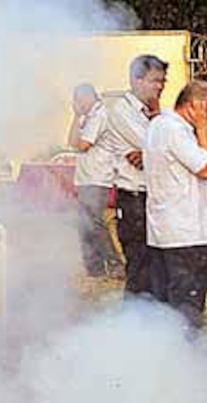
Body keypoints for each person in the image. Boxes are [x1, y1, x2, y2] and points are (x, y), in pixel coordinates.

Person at [143, 81, 207, 327]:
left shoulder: (157, 125)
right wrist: (203, 129)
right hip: (186, 236)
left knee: (165, 311)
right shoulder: (176, 130)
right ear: (196, 106)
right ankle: (185, 360)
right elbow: (206, 168)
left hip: (163, 233)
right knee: (186, 311)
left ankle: (167, 359)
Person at [106, 55, 168, 295]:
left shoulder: (151, 113)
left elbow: (164, 148)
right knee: (140, 268)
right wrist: (153, 151)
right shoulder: (123, 111)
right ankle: (133, 325)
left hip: (152, 197)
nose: (159, 87)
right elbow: (157, 144)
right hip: (133, 199)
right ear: (136, 80)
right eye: (154, 80)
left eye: (162, 81)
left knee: (154, 267)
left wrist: (150, 153)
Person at [67, 84, 123, 278]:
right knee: (84, 223)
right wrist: (75, 117)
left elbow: (82, 145)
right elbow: (71, 142)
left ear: (89, 97)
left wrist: (78, 119)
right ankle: (95, 268)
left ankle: (115, 263)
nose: (78, 104)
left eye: (79, 99)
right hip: (85, 177)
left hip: (98, 178)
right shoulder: (87, 117)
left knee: (96, 224)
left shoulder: (100, 115)